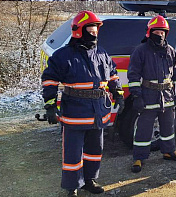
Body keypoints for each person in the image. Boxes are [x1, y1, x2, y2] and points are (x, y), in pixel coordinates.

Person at [41, 10, 123, 197]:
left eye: (95, 30)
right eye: (90, 30)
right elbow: (49, 80)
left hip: (98, 111)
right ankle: (72, 187)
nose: (94, 33)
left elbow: (113, 75)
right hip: (75, 112)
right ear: (79, 30)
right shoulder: (63, 56)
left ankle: (89, 180)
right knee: (73, 153)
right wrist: (51, 105)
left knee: (95, 150)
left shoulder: (102, 53)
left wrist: (118, 94)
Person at [127, 15, 176, 173]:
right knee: (143, 130)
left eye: (162, 32)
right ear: (149, 32)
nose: (159, 35)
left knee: (168, 128)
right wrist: (137, 96)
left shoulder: (170, 51)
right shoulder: (141, 51)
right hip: (148, 97)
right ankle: (139, 157)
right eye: (156, 32)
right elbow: (133, 75)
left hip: (167, 97)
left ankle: (169, 151)